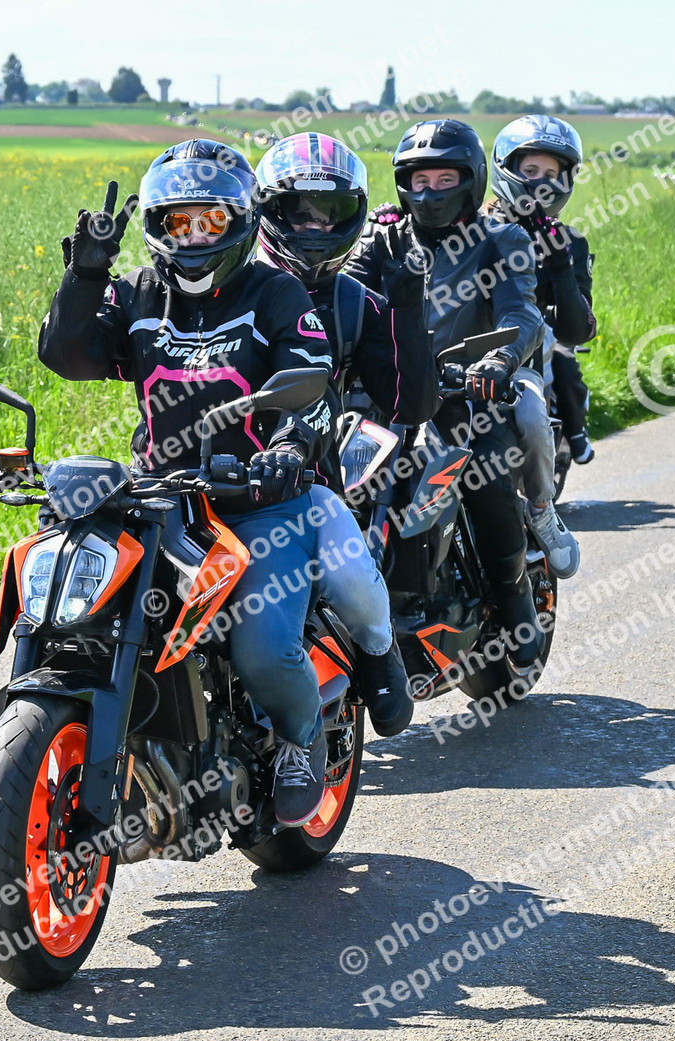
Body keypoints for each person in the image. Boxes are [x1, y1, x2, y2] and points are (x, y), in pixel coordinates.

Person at [38, 139, 342, 825]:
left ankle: (302, 741)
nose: (195, 235)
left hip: (258, 501)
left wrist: (290, 445)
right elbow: (68, 356)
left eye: (210, 220)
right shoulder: (138, 293)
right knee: (80, 611)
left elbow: (312, 383)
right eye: (180, 221)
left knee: (262, 645)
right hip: (160, 498)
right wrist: (85, 275)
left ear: (240, 222)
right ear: (159, 226)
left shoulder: (275, 291)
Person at [253, 132, 441, 739]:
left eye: (329, 212)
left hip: (305, 477)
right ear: (267, 209)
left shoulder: (355, 301)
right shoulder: (224, 287)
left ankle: (378, 653)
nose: (314, 227)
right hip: (200, 476)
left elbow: (412, 402)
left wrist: (407, 308)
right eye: (298, 211)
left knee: (352, 574)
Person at [345, 119, 548, 666]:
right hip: (384, 401)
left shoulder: (501, 239)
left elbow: (521, 312)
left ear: (471, 179)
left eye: (444, 179)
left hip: (467, 399)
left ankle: (514, 596)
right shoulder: (382, 241)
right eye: (419, 180)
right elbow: (339, 303)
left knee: (487, 475)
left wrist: (498, 359)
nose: (430, 192)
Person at [484, 113, 595, 579]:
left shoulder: (569, 242)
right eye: (530, 171)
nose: (540, 182)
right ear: (507, 169)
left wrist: (561, 265)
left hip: (522, 364)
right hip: (454, 363)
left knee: (537, 408)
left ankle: (542, 507)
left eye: (551, 174)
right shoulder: (470, 227)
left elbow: (576, 330)